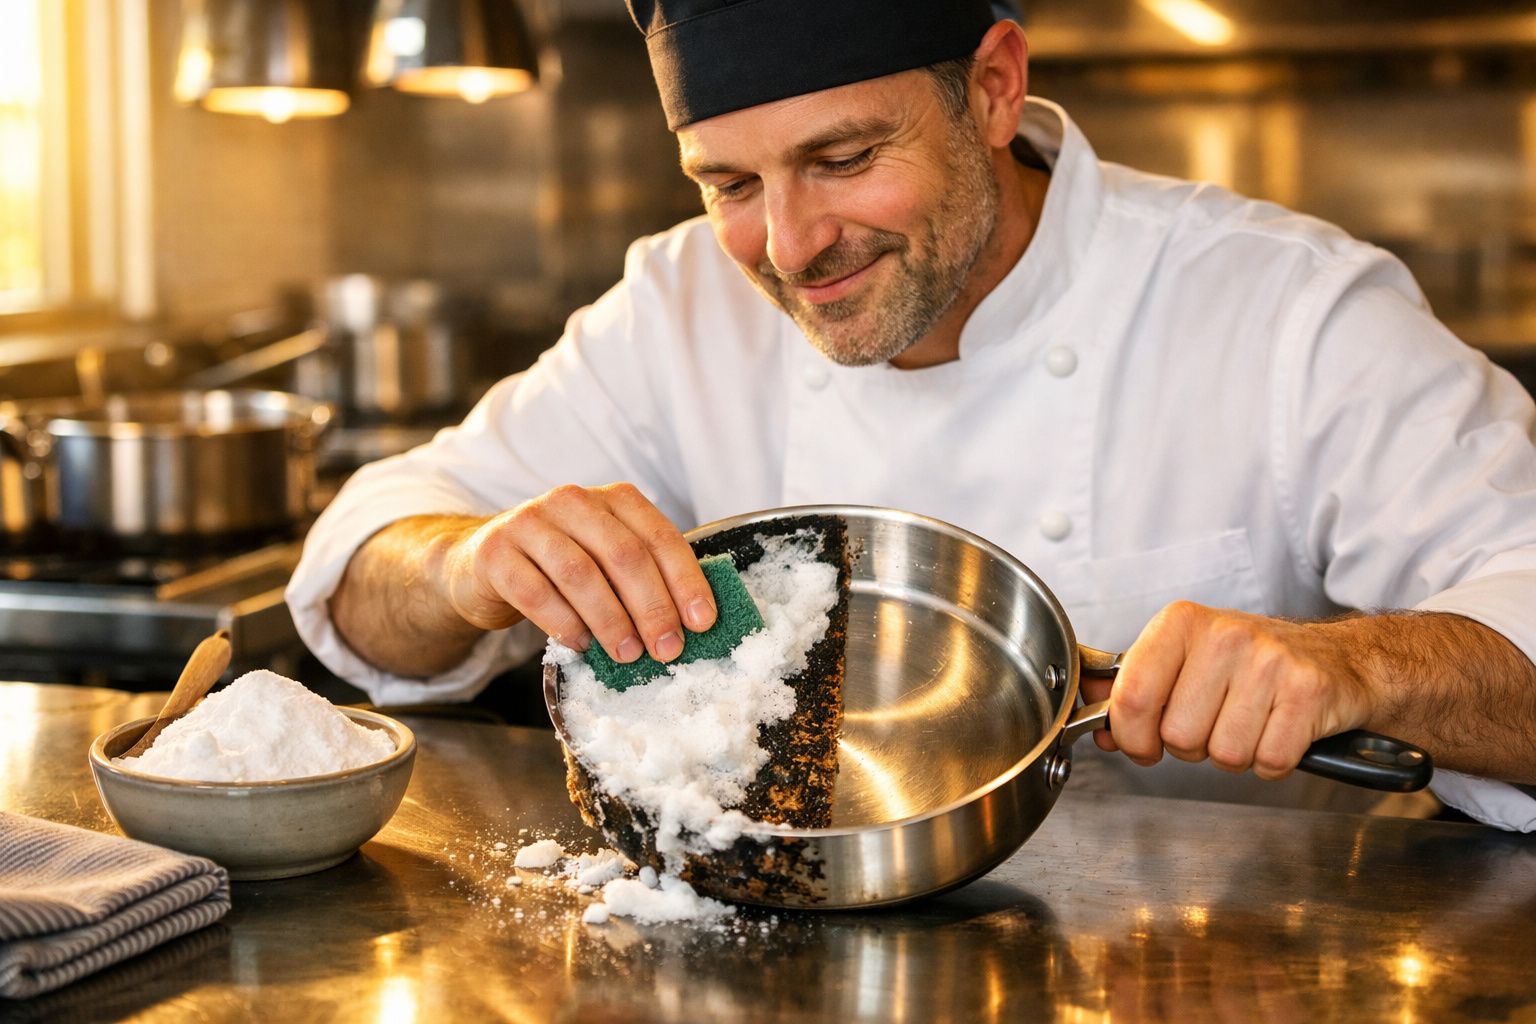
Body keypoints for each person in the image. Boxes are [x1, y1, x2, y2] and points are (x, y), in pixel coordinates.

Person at [287, 0, 1536, 830]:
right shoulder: (677, 308)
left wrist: (1353, 665)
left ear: (992, 88)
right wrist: (466, 564)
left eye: (842, 160)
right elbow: (357, 577)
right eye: (729, 182)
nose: (789, 245)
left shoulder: (1291, 313)